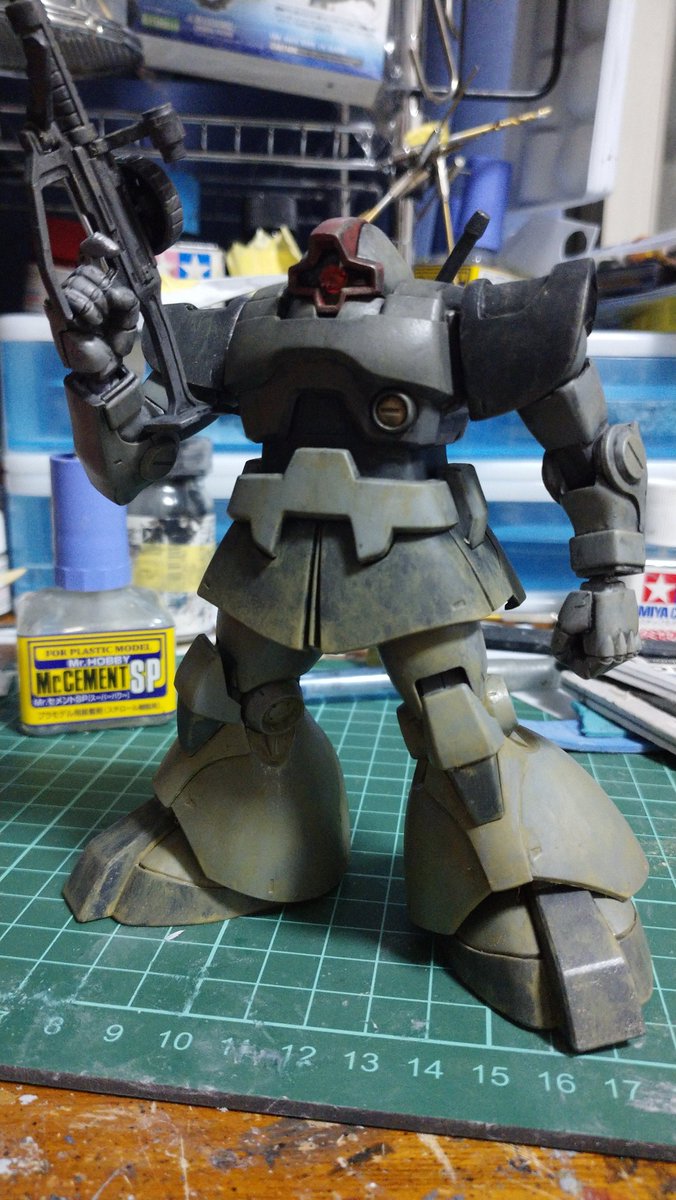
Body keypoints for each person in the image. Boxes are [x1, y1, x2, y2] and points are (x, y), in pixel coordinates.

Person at [59, 217, 652, 1052]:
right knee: (233, 698)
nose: (332, 266)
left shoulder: (453, 321)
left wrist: (612, 575)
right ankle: (237, 836)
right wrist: (104, 369)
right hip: (272, 553)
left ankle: (516, 875)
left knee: (460, 725)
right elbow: (130, 462)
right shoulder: (244, 326)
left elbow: (590, 442)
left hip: (413, 557)